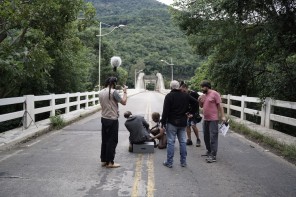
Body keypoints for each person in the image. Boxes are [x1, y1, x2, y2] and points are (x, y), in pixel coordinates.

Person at [161, 80, 197, 168]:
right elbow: (196, 102)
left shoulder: (169, 96)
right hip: (183, 122)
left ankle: (169, 162)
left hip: (172, 122)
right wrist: (190, 112)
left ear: (171, 87)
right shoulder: (185, 95)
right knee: (183, 142)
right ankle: (183, 162)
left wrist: (163, 122)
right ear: (179, 87)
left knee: (170, 142)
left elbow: (165, 111)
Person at [98, 77, 127, 168]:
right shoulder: (114, 92)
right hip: (112, 119)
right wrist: (125, 92)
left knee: (105, 140)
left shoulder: (101, 92)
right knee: (112, 140)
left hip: (104, 118)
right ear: (114, 83)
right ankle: (110, 162)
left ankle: (104, 160)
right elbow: (124, 102)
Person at [198, 80, 226, 163]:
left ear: (207, 86)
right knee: (206, 137)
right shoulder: (204, 95)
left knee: (213, 137)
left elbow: (220, 105)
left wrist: (223, 116)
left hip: (213, 119)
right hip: (205, 119)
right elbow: (201, 106)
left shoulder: (215, 94)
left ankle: (213, 156)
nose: (201, 89)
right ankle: (209, 151)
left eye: (203, 87)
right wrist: (199, 100)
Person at [180, 82, 201, 147]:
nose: (182, 91)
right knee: (187, 125)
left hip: (194, 112)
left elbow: (198, 102)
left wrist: (193, 113)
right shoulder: (183, 94)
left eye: (183, 90)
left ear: (185, 88)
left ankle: (198, 139)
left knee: (193, 125)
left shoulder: (193, 93)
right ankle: (189, 140)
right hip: (187, 112)